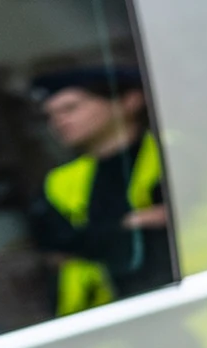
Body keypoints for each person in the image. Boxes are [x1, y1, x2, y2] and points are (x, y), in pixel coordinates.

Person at [27, 66, 173, 317]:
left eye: (70, 108)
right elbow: (55, 246)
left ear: (129, 101)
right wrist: (134, 223)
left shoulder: (174, 151)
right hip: (109, 325)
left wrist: (99, 237)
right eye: (50, 116)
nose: (58, 121)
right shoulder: (60, 181)